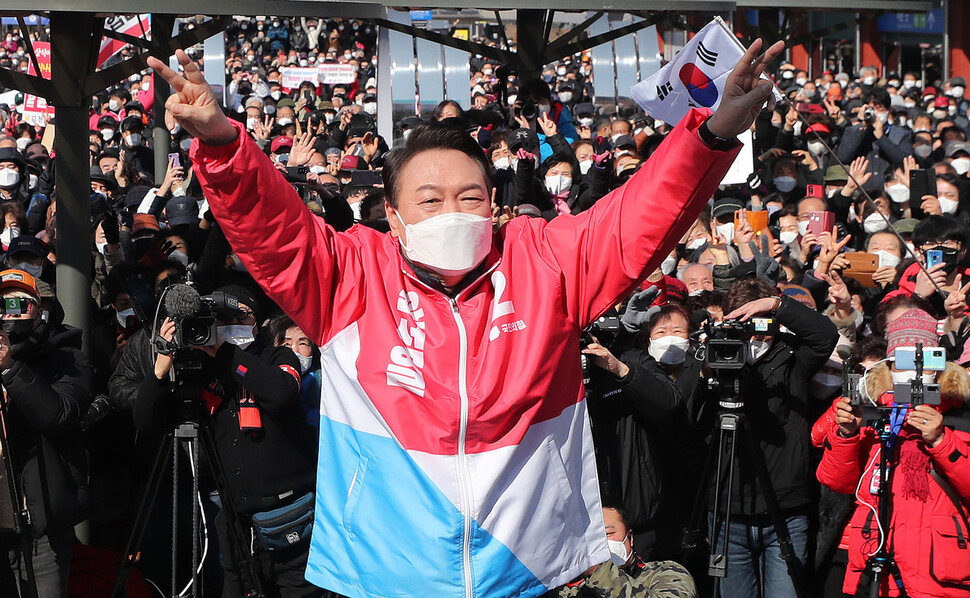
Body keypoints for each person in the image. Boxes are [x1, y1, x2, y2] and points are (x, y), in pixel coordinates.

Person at [148, 38, 784, 598]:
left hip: (531, 571)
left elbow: (637, 217)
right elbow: (276, 229)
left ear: (494, 205)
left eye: (469, 197)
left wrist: (714, 130)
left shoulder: (545, 264)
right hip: (385, 577)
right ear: (392, 219)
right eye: (428, 201)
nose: (451, 211)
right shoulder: (350, 276)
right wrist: (223, 142)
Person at [134, 285, 321, 598]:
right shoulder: (202, 368)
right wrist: (161, 365)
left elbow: (281, 392)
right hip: (236, 524)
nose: (231, 322)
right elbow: (147, 422)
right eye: (221, 318)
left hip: (290, 518)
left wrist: (224, 352)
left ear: (258, 323)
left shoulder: (276, 355)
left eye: (241, 314)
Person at [817, 309, 970, 597]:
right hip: (875, 560)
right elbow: (838, 482)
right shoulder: (874, 412)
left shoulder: (960, 412)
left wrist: (940, 441)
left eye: (921, 360)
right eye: (902, 361)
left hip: (937, 569)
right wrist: (846, 435)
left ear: (938, 364)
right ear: (888, 366)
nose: (913, 371)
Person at [0, 268, 93, 597]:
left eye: (20, 303)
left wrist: (10, 368)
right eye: (3, 303)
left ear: (40, 310)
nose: (10, 311)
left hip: (39, 531)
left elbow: (58, 415)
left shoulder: (67, 358)